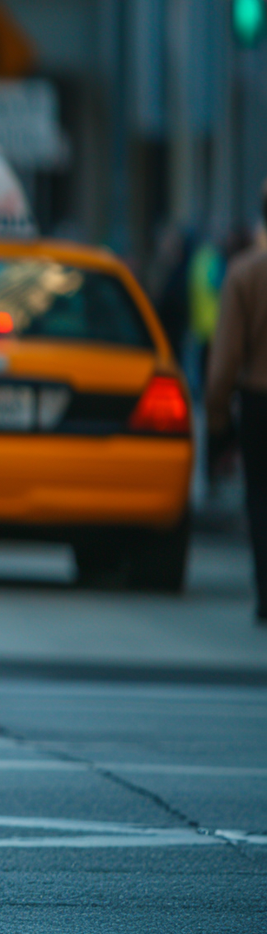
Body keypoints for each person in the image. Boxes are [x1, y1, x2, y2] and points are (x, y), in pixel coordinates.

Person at [204, 185, 267, 623]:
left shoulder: (246, 274)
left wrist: (217, 417)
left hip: (259, 400)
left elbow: (225, 360)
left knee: (260, 500)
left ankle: (266, 592)